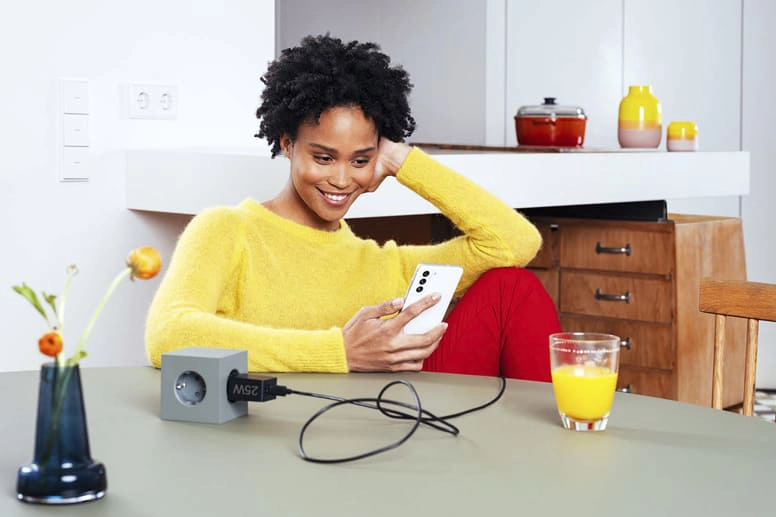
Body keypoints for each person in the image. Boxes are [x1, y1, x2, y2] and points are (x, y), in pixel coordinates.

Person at [145, 34, 561, 381]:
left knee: (512, 288)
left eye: (360, 160)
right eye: (323, 158)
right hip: (284, 425)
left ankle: (545, 466)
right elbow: (168, 334)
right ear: (287, 144)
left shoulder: (382, 265)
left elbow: (515, 241)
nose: (342, 180)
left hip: (386, 412)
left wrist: (404, 161)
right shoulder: (227, 229)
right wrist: (338, 351)